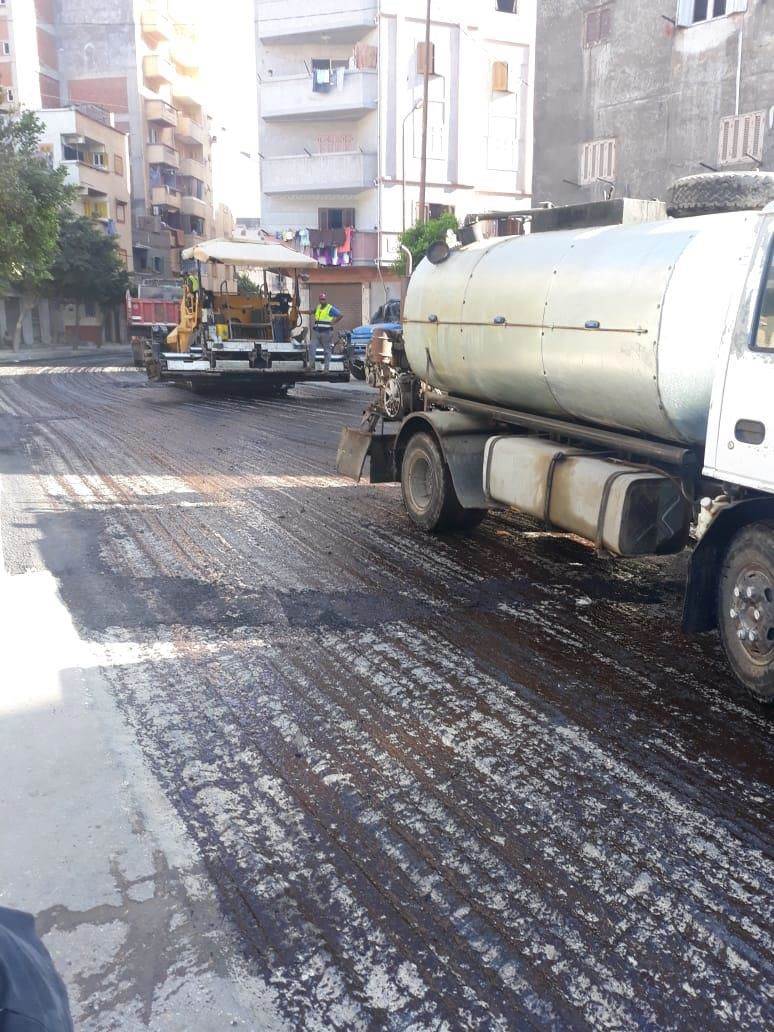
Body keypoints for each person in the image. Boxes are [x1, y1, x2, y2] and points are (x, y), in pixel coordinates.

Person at [309, 292, 343, 371]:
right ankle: (311, 366)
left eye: (323, 299)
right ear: (319, 300)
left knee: (327, 351)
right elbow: (312, 311)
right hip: (317, 331)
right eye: (321, 299)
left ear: (326, 299)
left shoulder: (330, 308)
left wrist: (334, 322)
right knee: (312, 347)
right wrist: (302, 311)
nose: (322, 301)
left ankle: (326, 369)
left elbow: (340, 315)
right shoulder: (318, 307)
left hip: (326, 333)